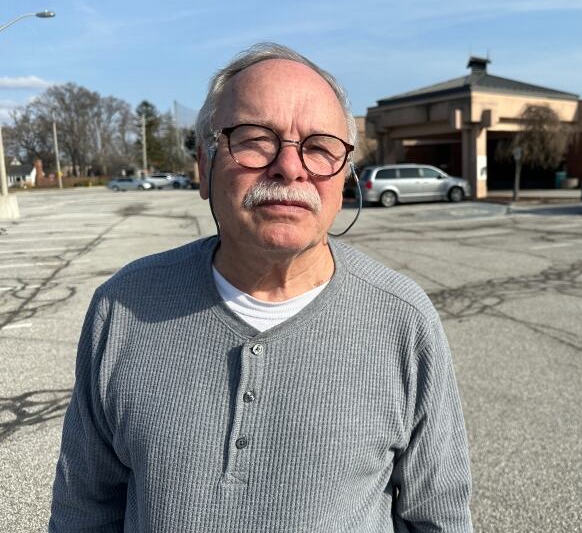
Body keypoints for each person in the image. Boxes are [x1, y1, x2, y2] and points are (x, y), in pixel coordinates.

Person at [49, 43, 472, 532]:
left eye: (318, 146)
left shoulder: (404, 320)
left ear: (344, 178)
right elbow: (85, 509)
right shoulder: (124, 307)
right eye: (254, 138)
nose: (290, 168)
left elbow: (437, 517)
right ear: (204, 169)